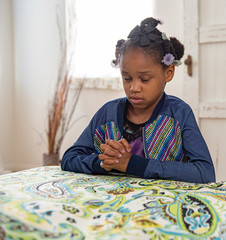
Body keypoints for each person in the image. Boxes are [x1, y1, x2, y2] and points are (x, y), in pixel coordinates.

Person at [61, 17, 215, 183]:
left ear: (169, 72)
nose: (134, 87)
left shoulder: (179, 113)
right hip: (113, 206)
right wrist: (104, 163)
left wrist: (133, 164)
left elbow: (204, 173)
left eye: (145, 79)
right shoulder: (108, 113)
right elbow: (69, 158)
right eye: (127, 78)